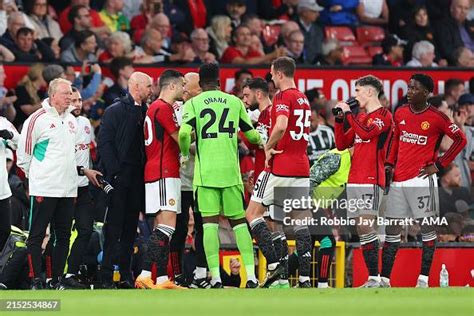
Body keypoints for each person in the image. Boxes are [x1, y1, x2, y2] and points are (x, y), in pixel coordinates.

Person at [179, 63, 261, 288]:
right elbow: (251, 136)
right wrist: (261, 141)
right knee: (240, 224)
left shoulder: (194, 103)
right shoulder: (234, 102)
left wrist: (185, 153)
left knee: (209, 225)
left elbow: (184, 134)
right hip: (231, 174)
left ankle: (214, 277)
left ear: (200, 83)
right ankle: (251, 276)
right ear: (219, 81)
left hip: (206, 175)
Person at [16, 78, 101, 289]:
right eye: (66, 94)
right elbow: (23, 156)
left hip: (68, 189)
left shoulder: (72, 121)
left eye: (71, 95)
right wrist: (38, 177)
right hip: (44, 188)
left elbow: (70, 157)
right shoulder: (36, 120)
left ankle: (56, 279)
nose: (70, 98)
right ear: (52, 96)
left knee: (62, 236)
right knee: (36, 235)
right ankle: (35, 279)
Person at [384, 74, 467, 288]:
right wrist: (389, 165)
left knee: (427, 230)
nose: (409, 91)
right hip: (398, 181)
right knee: (392, 230)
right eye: (409, 87)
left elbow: (461, 139)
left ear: (426, 93)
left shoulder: (437, 117)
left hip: (421, 180)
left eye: (414, 88)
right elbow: (394, 141)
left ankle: (423, 279)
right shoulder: (400, 112)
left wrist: (439, 165)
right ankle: (383, 279)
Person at [245, 57, 313, 288]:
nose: (271, 78)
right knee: (300, 222)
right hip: (302, 167)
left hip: (281, 166)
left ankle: (275, 267)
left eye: (272, 74)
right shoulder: (303, 98)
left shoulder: (283, 96)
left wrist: (267, 147)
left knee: (253, 214)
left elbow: (282, 125)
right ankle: (304, 280)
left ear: (280, 74)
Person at [333, 75, 393, 288]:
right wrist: (339, 121)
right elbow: (342, 144)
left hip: (372, 177)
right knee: (362, 228)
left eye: (357, 91)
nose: (354, 95)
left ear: (369, 92)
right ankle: (375, 278)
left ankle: (376, 278)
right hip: (355, 178)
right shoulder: (361, 117)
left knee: (367, 226)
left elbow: (366, 134)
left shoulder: (384, 115)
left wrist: (349, 114)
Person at [98, 72, 153, 288]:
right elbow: (104, 142)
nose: (151, 90)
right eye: (148, 86)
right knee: (113, 229)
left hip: (138, 178)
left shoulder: (147, 111)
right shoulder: (115, 110)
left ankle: (125, 275)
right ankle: (105, 276)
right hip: (120, 177)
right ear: (136, 86)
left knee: (131, 228)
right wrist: (115, 172)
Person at [135, 70, 186, 290]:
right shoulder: (164, 108)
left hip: (156, 170)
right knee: (166, 227)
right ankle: (145, 274)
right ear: (172, 87)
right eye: (183, 85)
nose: (185, 88)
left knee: (161, 226)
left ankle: (163, 278)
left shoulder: (153, 108)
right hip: (165, 171)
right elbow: (180, 137)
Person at [241, 77, 290, 289]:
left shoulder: (269, 113)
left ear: (258, 94)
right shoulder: (266, 113)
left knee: (261, 220)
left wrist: (241, 129)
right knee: (274, 226)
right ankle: (282, 279)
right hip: (271, 173)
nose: (244, 99)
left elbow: (260, 142)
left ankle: (275, 268)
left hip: (271, 174)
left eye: (246, 95)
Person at [62, 87, 95, 289]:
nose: (77, 104)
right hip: (64, 187)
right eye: (73, 100)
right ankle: (51, 276)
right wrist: (84, 171)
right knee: (61, 234)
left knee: (85, 230)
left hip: (83, 188)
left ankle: (71, 273)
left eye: (80, 100)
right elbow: (63, 159)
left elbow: (87, 153)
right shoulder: (63, 125)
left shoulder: (85, 123)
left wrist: (89, 172)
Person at [0, 117, 19, 251]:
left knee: (5, 233)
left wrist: (10, 135)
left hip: (2, 191)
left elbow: (20, 143)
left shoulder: (2, 122)